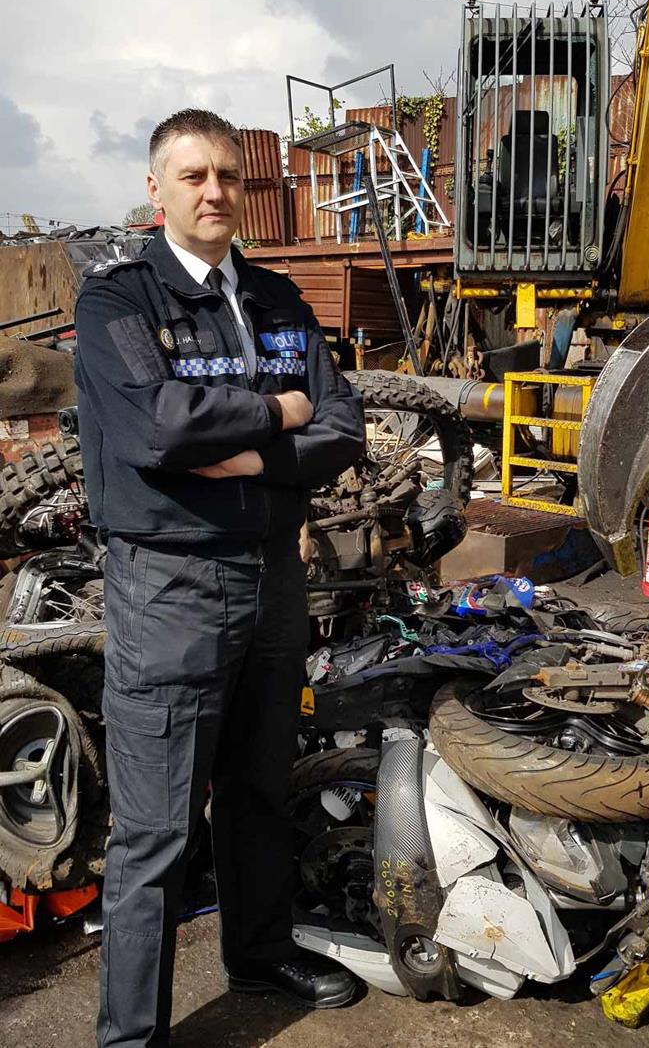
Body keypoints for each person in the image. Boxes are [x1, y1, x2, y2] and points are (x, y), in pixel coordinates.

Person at [74, 108, 365, 1048]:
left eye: (227, 176)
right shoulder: (119, 302)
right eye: (192, 176)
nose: (213, 193)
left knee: (257, 787)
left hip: (271, 578)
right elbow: (158, 428)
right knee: (156, 830)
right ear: (156, 189)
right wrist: (279, 410)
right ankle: (132, 1037)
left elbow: (344, 429)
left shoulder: (278, 299)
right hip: (170, 588)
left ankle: (259, 950)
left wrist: (249, 454)